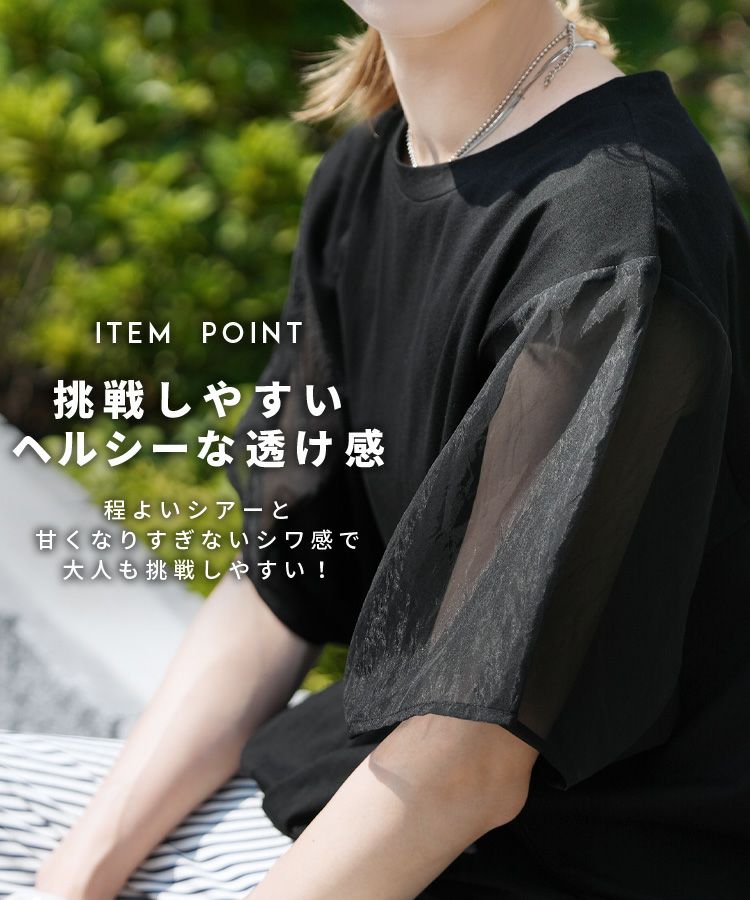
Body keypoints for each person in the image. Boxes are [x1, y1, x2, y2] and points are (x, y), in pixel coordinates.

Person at [2, 1, 750, 898]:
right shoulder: (373, 161)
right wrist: (76, 876)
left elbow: (469, 764)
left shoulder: (616, 234)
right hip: (370, 791)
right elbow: (282, 581)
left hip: (576, 856)